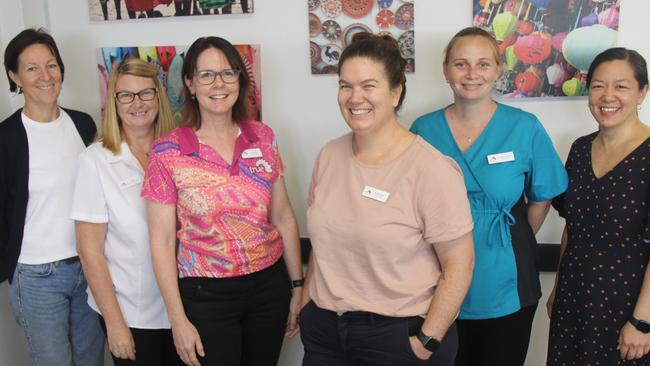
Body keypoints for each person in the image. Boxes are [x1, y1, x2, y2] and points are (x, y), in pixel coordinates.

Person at [301, 32, 475, 366]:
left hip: (397, 336)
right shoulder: (329, 156)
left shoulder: (431, 169)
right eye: (345, 86)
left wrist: (427, 339)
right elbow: (323, 243)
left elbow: (460, 263)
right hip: (326, 332)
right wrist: (308, 302)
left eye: (369, 85)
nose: (355, 97)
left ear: (396, 92)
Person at [410, 27, 568, 366]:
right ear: (446, 70)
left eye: (483, 64)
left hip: (506, 278)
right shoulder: (423, 130)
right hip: (435, 279)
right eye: (461, 64)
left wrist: (513, 237)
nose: (472, 74)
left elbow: (541, 198)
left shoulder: (525, 127)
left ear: (499, 69)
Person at [142, 36, 303, 366]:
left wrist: (297, 285)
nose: (219, 83)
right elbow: (160, 242)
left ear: (239, 80)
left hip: (268, 288)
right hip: (205, 295)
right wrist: (177, 319)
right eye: (206, 75)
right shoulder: (167, 152)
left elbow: (283, 216)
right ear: (189, 84)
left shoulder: (263, 136)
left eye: (228, 73)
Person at [0, 28, 104, 365]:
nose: (45, 76)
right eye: (32, 69)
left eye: (51, 65)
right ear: (14, 76)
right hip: (36, 277)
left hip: (89, 269)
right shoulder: (6, 137)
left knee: (91, 361)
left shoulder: (83, 123)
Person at [71, 57, 179, 365]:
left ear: (159, 97)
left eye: (146, 93)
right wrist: (115, 323)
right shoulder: (96, 160)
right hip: (132, 312)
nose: (137, 103)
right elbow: (89, 251)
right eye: (126, 95)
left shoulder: (180, 152)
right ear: (114, 102)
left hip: (183, 307)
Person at [547, 47, 650, 365]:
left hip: (629, 307)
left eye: (621, 86)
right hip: (574, 299)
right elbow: (572, 226)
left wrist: (642, 322)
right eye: (598, 85)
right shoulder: (579, 149)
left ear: (642, 92)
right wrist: (558, 287)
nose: (608, 96)